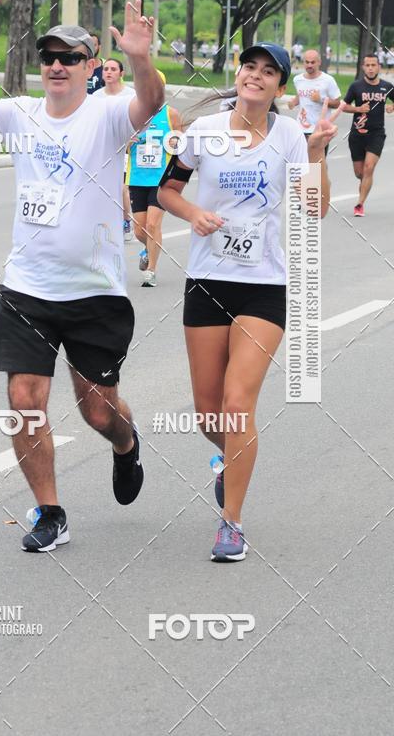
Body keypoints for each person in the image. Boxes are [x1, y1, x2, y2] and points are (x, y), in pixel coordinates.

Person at [0, 2, 164, 552]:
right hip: (27, 288)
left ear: (92, 65)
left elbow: (151, 101)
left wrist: (142, 60)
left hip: (94, 292)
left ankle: (125, 444)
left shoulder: (108, 115)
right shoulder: (20, 114)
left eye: (70, 57)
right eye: (49, 56)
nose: (57, 65)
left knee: (98, 410)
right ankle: (50, 512)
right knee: (25, 400)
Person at [158, 42, 339, 562]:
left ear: (281, 88)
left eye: (268, 72)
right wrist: (192, 213)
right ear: (239, 75)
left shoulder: (288, 136)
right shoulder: (204, 132)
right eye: (250, 67)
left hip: (263, 285)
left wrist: (316, 155)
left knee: (238, 406)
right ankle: (231, 461)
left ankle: (231, 523)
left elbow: (316, 209)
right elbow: (166, 190)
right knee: (207, 415)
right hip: (206, 280)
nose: (255, 76)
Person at [125, 71, 182, 287]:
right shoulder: (132, 114)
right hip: (137, 177)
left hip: (162, 180)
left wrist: (177, 143)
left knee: (152, 223)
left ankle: (151, 271)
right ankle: (148, 249)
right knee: (140, 230)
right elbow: (121, 143)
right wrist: (127, 142)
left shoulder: (171, 115)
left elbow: (181, 142)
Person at [341, 53, 394, 217]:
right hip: (357, 135)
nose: (370, 68)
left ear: (379, 67)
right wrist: (358, 109)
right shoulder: (356, 86)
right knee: (360, 173)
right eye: (368, 65)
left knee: (369, 167)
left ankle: (359, 204)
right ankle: (365, 184)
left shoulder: (387, 86)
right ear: (363, 67)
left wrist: (392, 107)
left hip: (376, 134)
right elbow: (344, 106)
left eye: (373, 65)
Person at [93, 59, 136, 241]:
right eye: (106, 69)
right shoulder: (96, 97)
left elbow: (142, 117)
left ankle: (126, 221)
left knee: (121, 188)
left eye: (113, 69)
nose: (109, 72)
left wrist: (135, 136)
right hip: (103, 147)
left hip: (126, 147)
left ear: (121, 73)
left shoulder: (130, 95)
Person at [288, 49, 341, 155]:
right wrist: (293, 102)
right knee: (299, 164)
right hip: (300, 129)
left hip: (319, 130)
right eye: (307, 62)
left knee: (316, 165)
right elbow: (301, 95)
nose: (309, 65)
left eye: (313, 62)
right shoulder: (298, 79)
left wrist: (321, 99)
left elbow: (337, 103)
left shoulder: (328, 80)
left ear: (319, 63)